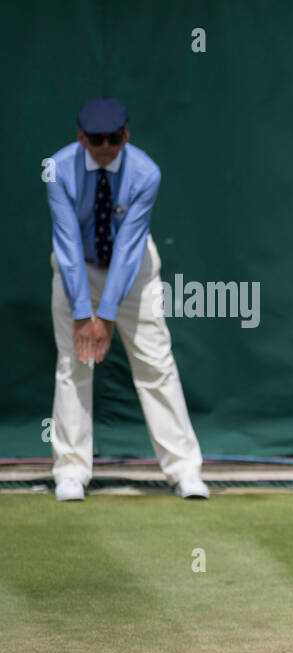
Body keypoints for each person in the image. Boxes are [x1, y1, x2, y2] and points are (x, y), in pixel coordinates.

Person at [46, 97, 208, 501]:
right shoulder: (58, 170)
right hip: (76, 269)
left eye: (114, 139)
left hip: (133, 274)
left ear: (126, 135)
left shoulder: (145, 173)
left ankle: (185, 470)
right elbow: (66, 244)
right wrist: (85, 313)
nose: (105, 148)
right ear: (81, 138)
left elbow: (130, 249)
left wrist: (107, 312)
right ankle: (70, 471)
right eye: (97, 139)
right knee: (73, 364)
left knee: (156, 363)